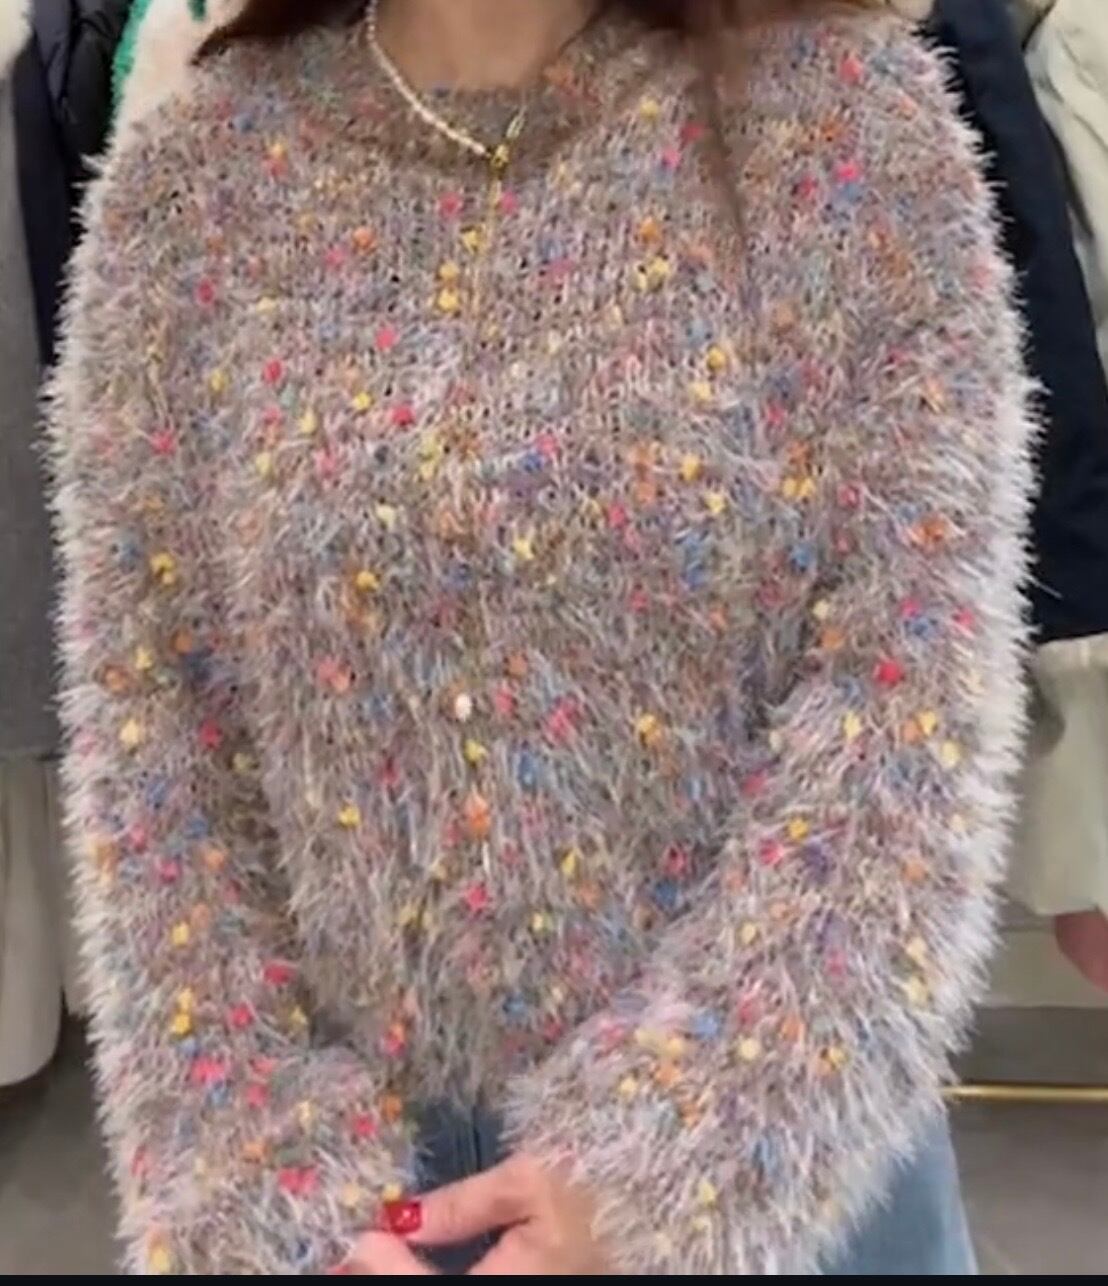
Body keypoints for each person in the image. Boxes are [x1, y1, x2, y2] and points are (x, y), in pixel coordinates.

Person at [50, 0, 1033, 1274]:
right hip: (368, 1214)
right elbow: (157, 730)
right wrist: (251, 1175)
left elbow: (911, 698)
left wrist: (685, 1146)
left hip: (781, 1152)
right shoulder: (198, 178)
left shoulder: (843, 128)